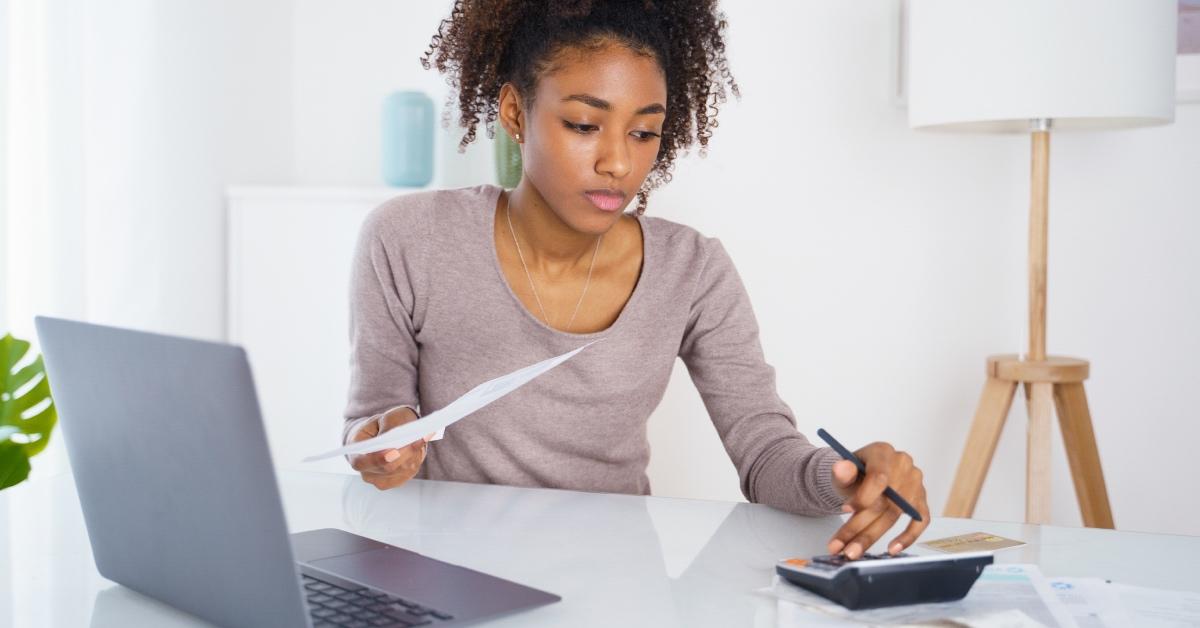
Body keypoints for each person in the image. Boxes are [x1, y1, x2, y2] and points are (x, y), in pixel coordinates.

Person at [341, 0, 930, 560]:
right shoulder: (409, 238)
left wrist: (841, 477)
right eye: (583, 124)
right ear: (516, 112)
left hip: (617, 584)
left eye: (644, 133)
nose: (619, 163)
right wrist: (386, 444)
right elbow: (375, 418)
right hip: (451, 573)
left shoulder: (692, 270)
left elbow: (764, 452)